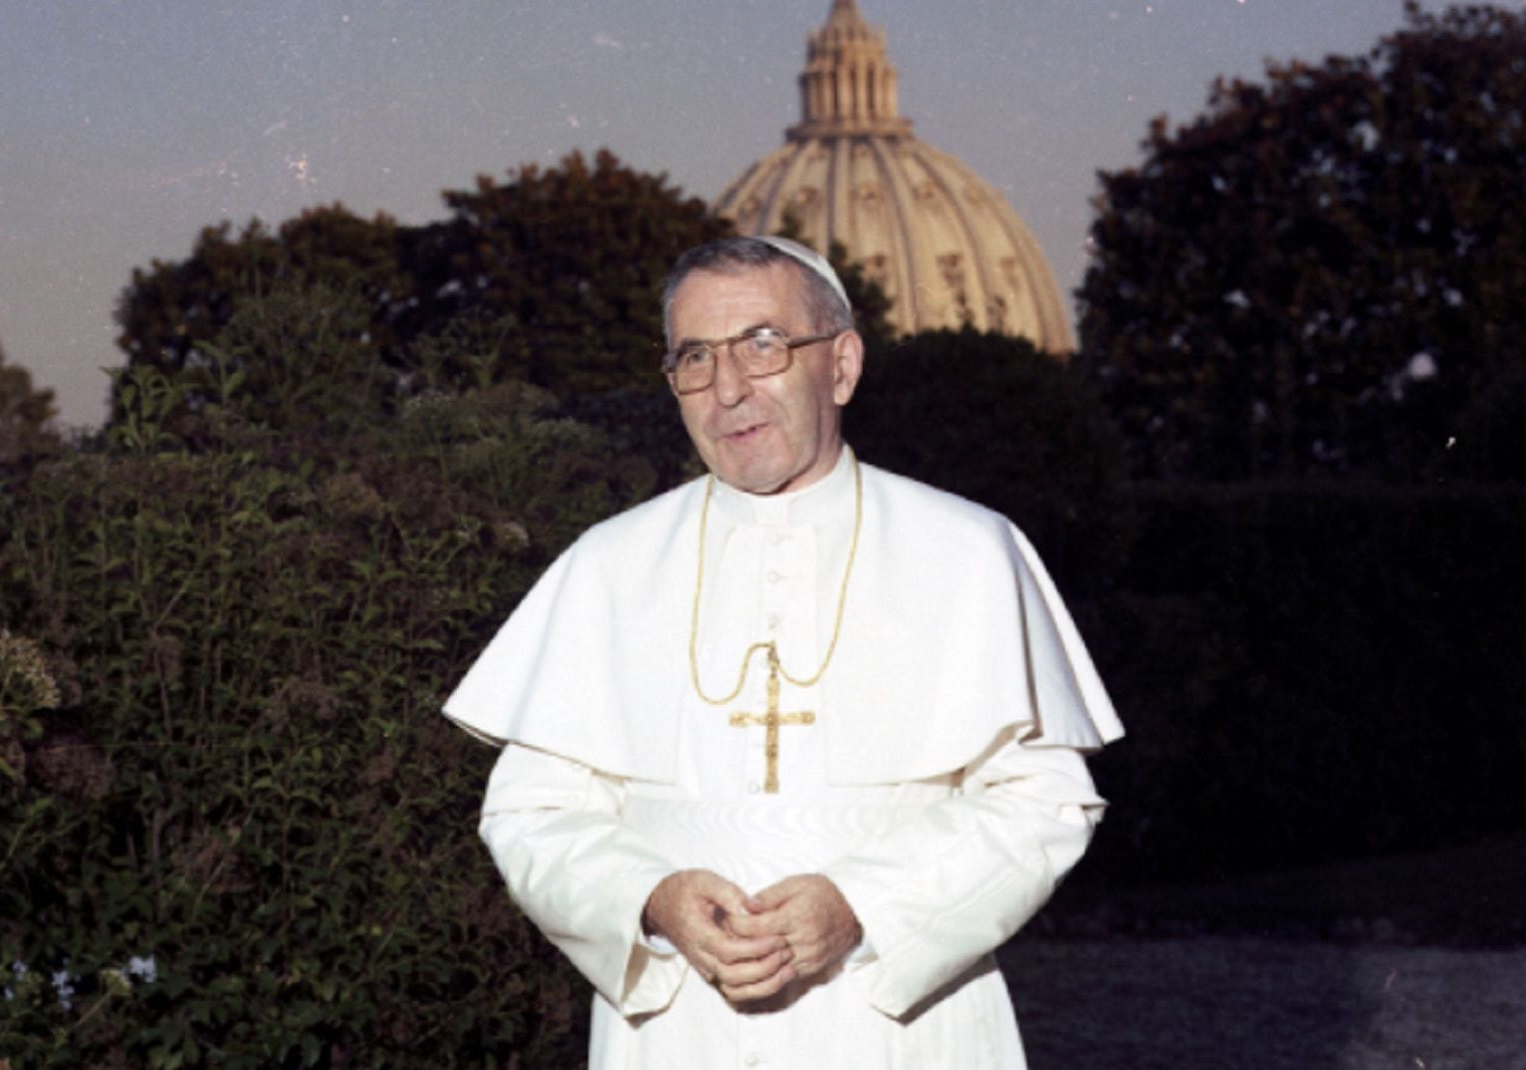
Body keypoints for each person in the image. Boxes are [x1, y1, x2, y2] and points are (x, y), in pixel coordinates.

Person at [444, 235, 1122, 1068]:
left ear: (840, 366)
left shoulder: (970, 550)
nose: (728, 389)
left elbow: (1044, 802)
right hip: (677, 1027)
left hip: (898, 1025)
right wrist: (650, 899)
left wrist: (863, 904)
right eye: (695, 357)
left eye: (764, 345)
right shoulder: (607, 565)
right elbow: (530, 813)